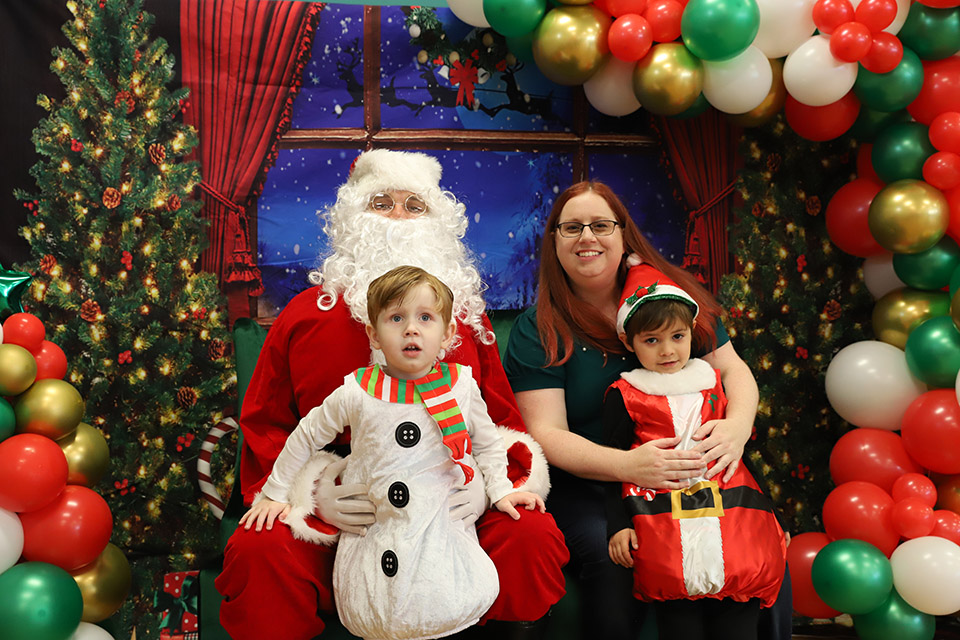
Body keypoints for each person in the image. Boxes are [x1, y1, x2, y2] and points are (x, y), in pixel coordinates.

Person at [215, 149, 567, 640]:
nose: (399, 217)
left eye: (414, 206)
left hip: (446, 498)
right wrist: (312, 493)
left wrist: (487, 486)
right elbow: (267, 423)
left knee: (528, 535)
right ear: (354, 217)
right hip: (348, 507)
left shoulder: (464, 321)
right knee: (259, 550)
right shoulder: (303, 316)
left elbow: (501, 424)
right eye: (382, 202)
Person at [502, 180, 792, 640]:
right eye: (571, 227)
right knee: (615, 555)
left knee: (754, 541)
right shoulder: (537, 330)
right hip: (595, 485)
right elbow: (547, 433)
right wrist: (630, 465)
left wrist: (737, 427)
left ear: (623, 235)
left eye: (601, 225)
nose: (587, 238)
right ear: (554, 240)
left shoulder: (667, 298)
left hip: (697, 470)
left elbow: (734, 372)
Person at [240, 266, 546, 640]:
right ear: (373, 333)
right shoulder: (356, 389)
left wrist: (494, 489)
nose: (411, 329)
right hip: (372, 521)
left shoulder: (461, 386)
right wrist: (283, 492)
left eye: (425, 318)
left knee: (449, 589)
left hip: (442, 518)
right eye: (396, 318)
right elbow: (302, 434)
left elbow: (487, 442)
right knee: (378, 600)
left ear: (449, 333)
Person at [604, 262, 785, 640]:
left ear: (692, 334)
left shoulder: (714, 383)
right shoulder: (625, 396)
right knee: (679, 624)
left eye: (677, 337)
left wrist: (772, 515)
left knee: (737, 624)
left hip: (735, 525)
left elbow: (741, 455)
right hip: (664, 529)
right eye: (651, 340)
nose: (668, 351)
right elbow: (615, 461)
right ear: (629, 342)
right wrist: (618, 524)